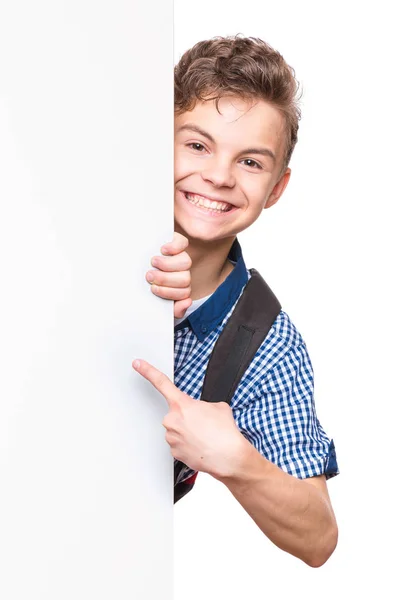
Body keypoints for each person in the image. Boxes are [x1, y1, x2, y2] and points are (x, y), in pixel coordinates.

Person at [132, 35, 339, 567]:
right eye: (197, 145)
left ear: (276, 188)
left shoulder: (263, 342)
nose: (219, 176)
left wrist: (235, 460)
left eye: (250, 161)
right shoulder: (61, 233)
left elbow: (318, 536)